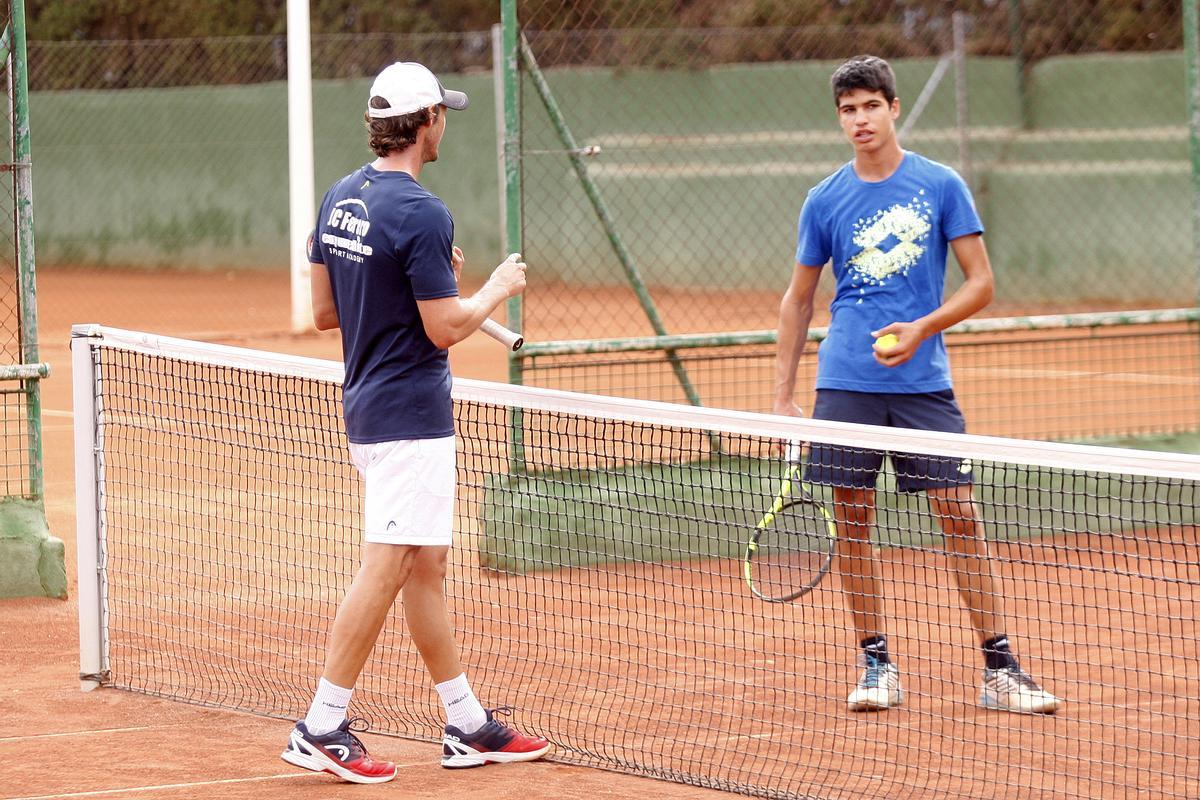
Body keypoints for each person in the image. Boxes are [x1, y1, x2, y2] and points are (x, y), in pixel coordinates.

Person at [280, 61, 550, 783]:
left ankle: (466, 725)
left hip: (369, 406)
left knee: (425, 565)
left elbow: (328, 312)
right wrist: (494, 288)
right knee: (391, 563)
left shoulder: (342, 196)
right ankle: (323, 723)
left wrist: (431, 279)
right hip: (408, 415)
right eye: (444, 114)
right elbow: (443, 329)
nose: (445, 124)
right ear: (426, 122)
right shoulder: (423, 212)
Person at [773, 55, 1059, 715]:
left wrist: (922, 327)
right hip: (845, 379)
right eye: (848, 110)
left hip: (923, 382)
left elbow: (982, 285)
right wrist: (782, 399)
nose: (860, 120)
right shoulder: (824, 199)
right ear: (839, 118)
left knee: (959, 512)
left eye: (871, 106)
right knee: (853, 519)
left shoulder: (941, 185)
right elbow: (798, 300)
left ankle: (999, 669)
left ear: (894, 108)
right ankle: (876, 665)